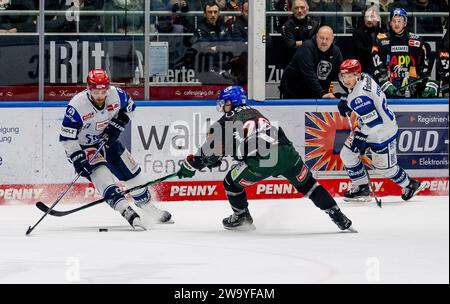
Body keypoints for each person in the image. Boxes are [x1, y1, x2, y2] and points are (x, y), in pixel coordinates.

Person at [176, 85, 354, 232]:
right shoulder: (254, 111)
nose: (223, 107)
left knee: (230, 183)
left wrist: (191, 165)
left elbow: (209, 151)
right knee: (309, 185)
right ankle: (338, 216)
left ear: (232, 103)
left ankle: (241, 216)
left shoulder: (226, 120)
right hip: (287, 152)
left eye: (225, 103)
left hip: (263, 160)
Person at [59, 69, 172, 229]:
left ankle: (147, 207)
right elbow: (67, 138)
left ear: (108, 88)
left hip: (108, 140)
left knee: (132, 172)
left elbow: (130, 108)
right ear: (88, 89)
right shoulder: (77, 106)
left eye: (103, 91)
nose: (100, 96)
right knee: (102, 176)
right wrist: (78, 159)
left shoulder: (117, 95)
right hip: (84, 146)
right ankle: (126, 210)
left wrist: (116, 125)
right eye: (96, 91)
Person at [337, 59, 424, 202]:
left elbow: (375, 123)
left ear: (357, 75)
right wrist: (347, 100)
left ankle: (410, 184)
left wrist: (360, 136)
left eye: (349, 76)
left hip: (382, 132)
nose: (345, 80)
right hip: (368, 126)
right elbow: (365, 102)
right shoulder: (365, 77)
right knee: (347, 154)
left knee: (383, 168)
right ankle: (361, 187)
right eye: (343, 76)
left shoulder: (359, 97)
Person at [371, 8, 438, 98]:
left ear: (405, 23)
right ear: (390, 23)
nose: (396, 24)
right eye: (394, 21)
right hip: (387, 86)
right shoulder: (381, 40)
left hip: (411, 86)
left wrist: (428, 82)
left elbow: (424, 68)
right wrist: (383, 81)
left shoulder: (416, 40)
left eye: (399, 21)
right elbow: (376, 64)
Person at [280, 26, 343, 99]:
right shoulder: (306, 48)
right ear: (316, 37)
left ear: (332, 39)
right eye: (321, 38)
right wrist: (321, 93)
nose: (324, 41)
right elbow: (309, 74)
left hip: (316, 93)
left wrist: (351, 91)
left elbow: (341, 74)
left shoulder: (336, 52)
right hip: (293, 92)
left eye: (327, 39)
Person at [351, 6, 383, 75]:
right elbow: (359, 50)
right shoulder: (358, 32)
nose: (369, 20)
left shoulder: (382, 32)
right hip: (364, 68)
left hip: (381, 68)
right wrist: (373, 49)